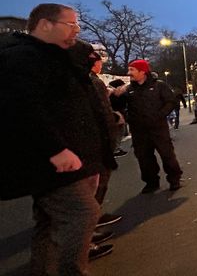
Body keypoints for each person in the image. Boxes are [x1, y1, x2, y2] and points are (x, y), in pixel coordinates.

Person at [0, 4, 109, 274]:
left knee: (50, 222)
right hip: (53, 161)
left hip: (64, 156)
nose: (76, 30)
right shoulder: (25, 58)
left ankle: (44, 269)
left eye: (77, 25)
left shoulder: (49, 56)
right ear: (45, 24)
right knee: (82, 213)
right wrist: (56, 149)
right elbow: (23, 106)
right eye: (70, 24)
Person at [68, 40, 120, 259]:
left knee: (86, 197)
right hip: (92, 146)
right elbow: (100, 112)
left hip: (87, 146)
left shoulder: (79, 80)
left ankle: (86, 237)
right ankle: (83, 244)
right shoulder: (88, 82)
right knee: (88, 196)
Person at [116, 59, 183, 193]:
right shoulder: (128, 90)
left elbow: (170, 101)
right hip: (139, 130)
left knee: (167, 154)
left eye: (132, 70)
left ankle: (174, 179)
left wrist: (160, 115)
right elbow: (119, 106)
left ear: (143, 71)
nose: (129, 73)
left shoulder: (159, 86)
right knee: (144, 158)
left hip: (158, 128)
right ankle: (151, 182)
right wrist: (118, 98)